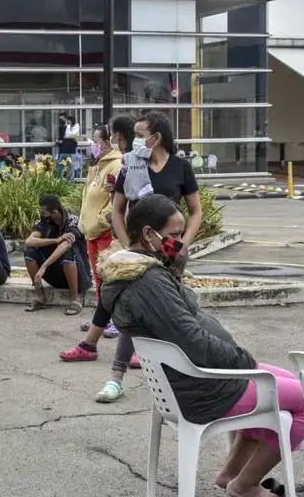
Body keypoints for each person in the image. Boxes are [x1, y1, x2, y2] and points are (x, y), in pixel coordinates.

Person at [102, 194, 304, 497]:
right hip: (203, 386)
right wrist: (241, 360)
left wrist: (171, 268)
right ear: (148, 234)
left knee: (287, 382)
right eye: (172, 236)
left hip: (197, 379)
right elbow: (192, 340)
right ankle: (245, 486)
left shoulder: (143, 271)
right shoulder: (147, 283)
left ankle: (231, 474)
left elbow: (179, 324)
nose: (179, 242)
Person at [94, 110, 203, 403]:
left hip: (171, 252)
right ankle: (116, 378)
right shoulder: (130, 166)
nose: (135, 140)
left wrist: (182, 244)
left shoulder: (180, 167)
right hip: (139, 251)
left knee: (178, 308)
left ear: (157, 138)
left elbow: (195, 211)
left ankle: (184, 376)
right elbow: (118, 210)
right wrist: (128, 243)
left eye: (141, 135)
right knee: (133, 312)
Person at [60, 117, 131, 362]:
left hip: (104, 232)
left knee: (109, 281)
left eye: (97, 140)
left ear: (110, 141)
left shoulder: (116, 165)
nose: (94, 144)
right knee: (99, 280)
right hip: (91, 231)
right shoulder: (97, 166)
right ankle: (101, 321)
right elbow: (88, 198)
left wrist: (101, 221)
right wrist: (84, 222)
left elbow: (116, 202)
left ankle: (111, 322)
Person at [23, 195, 92, 315]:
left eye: (44, 212)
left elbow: (65, 245)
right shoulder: (44, 222)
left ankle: (75, 300)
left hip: (79, 275)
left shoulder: (74, 221)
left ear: (54, 212)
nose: (42, 215)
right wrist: (56, 240)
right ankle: (40, 298)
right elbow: (29, 241)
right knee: (30, 252)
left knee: (68, 251)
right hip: (55, 275)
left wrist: (44, 266)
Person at [56, 113, 80, 179]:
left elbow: (71, 136)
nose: (61, 121)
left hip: (70, 149)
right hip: (63, 149)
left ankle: (71, 182)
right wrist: (59, 140)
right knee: (60, 165)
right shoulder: (62, 127)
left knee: (70, 166)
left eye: (62, 119)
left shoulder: (75, 127)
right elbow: (62, 137)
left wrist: (68, 126)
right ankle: (59, 181)